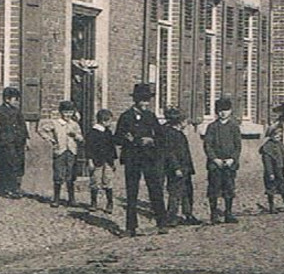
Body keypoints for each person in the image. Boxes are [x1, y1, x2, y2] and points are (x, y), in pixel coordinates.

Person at [114, 83, 169, 235]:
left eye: (147, 101)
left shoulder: (150, 116)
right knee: (132, 191)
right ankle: (131, 226)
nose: (145, 104)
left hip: (149, 157)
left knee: (155, 188)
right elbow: (117, 138)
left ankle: (162, 222)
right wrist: (129, 139)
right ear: (136, 101)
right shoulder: (125, 117)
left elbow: (161, 137)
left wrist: (151, 141)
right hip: (132, 158)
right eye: (143, 101)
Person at [0, 87, 30, 199]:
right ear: (7, 99)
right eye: (14, 99)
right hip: (5, 142)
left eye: (17, 99)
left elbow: (22, 126)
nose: (16, 101)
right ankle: (6, 189)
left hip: (18, 142)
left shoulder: (17, 111)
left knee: (18, 165)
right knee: (7, 165)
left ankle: (15, 188)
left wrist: (27, 139)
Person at [203, 97, 243, 224]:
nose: (223, 113)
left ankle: (228, 213)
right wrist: (214, 159)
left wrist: (232, 159)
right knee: (214, 188)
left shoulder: (234, 126)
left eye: (225, 110)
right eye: (220, 110)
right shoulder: (212, 127)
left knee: (229, 188)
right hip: (215, 164)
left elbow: (238, 145)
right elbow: (207, 145)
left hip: (229, 164)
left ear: (230, 111)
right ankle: (214, 214)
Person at [37, 100, 84, 207]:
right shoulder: (55, 123)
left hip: (71, 152)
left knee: (71, 175)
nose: (68, 115)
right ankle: (56, 198)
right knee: (58, 174)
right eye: (65, 112)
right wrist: (50, 139)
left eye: (70, 112)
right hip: (60, 152)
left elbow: (81, 138)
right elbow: (41, 130)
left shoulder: (75, 124)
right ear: (61, 112)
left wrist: (76, 136)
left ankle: (71, 199)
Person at [161, 107, 198, 225]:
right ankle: (171, 216)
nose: (187, 123)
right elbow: (170, 153)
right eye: (185, 121)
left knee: (187, 191)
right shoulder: (171, 134)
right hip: (177, 169)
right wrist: (176, 168)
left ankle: (188, 214)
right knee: (175, 192)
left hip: (184, 168)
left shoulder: (178, 133)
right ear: (179, 122)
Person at [83, 108, 117, 214]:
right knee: (95, 181)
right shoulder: (92, 133)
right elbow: (88, 148)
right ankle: (94, 202)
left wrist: (113, 162)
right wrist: (90, 160)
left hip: (107, 162)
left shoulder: (108, 132)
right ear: (104, 121)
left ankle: (109, 203)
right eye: (110, 121)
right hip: (97, 161)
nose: (111, 123)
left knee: (108, 181)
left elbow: (112, 147)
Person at [259, 122, 284, 213]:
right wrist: (270, 173)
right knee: (271, 188)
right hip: (272, 171)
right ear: (271, 136)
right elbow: (267, 162)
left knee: (283, 187)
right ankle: (271, 206)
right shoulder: (267, 147)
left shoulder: (280, 145)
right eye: (276, 136)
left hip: (280, 169)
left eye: (280, 136)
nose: (278, 138)